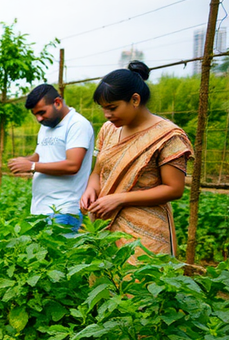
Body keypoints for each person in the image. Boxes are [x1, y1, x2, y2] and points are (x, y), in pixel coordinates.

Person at [79, 61, 193, 258]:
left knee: (141, 285)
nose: (107, 115)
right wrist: (90, 190)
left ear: (135, 99)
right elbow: (98, 172)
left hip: (146, 232)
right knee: (106, 284)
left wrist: (120, 198)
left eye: (112, 107)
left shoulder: (168, 136)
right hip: (105, 225)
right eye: (103, 108)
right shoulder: (109, 130)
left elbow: (174, 188)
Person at [7, 84, 94, 232]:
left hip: (63, 210)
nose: (39, 118)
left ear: (57, 103)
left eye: (42, 112)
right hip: (40, 209)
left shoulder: (77, 124)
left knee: (60, 254)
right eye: (35, 115)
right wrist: (24, 161)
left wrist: (32, 167)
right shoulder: (46, 126)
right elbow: (40, 156)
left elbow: (72, 165)